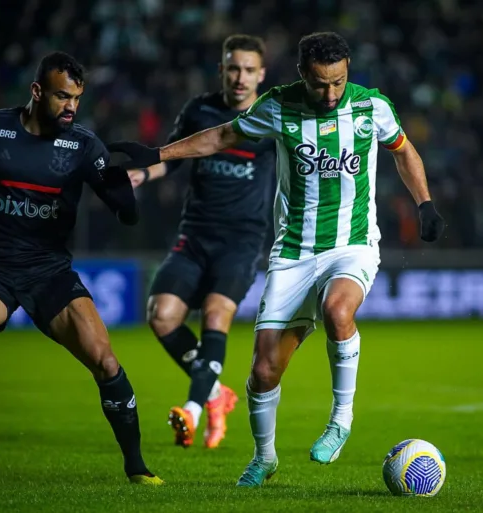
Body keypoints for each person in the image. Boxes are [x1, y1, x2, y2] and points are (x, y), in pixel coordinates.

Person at [107, 32, 445, 487]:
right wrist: (158, 153)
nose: (330, 94)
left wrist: (424, 202)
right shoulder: (278, 107)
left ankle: (340, 420)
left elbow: (403, 151)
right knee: (264, 371)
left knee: (337, 309)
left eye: (339, 83)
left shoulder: (371, 108)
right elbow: (224, 135)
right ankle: (264, 458)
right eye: (321, 84)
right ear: (303, 73)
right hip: (293, 254)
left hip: (352, 243)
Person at [0, 52, 163, 486]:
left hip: (50, 272)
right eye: (61, 96)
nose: (71, 107)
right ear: (36, 92)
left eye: (76, 98)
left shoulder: (84, 145)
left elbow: (127, 216)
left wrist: (123, 180)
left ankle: (137, 468)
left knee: (106, 361)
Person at [129, 34, 275, 449]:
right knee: (161, 316)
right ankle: (215, 392)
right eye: (233, 68)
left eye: (249, 69)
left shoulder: (272, 120)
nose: (240, 77)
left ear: (261, 74)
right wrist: (141, 174)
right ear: (222, 70)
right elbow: (172, 162)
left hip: (242, 241)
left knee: (215, 314)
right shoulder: (200, 110)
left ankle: (192, 409)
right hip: (194, 234)